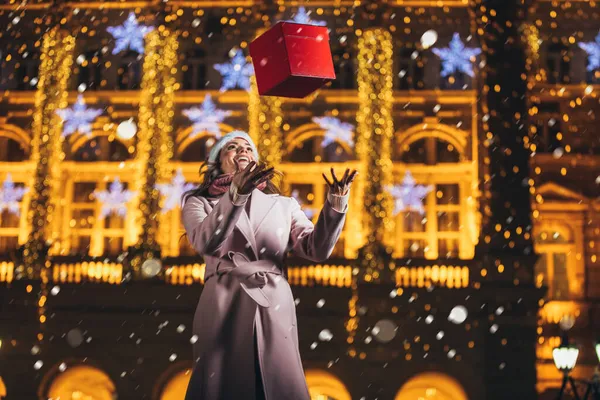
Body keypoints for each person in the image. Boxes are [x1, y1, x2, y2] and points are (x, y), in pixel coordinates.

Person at [181, 131, 357, 400]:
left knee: (277, 381)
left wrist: (336, 202)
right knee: (222, 382)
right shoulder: (199, 202)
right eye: (232, 147)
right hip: (224, 297)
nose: (242, 150)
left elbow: (317, 249)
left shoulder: (283, 205)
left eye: (248, 148)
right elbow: (208, 241)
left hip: (272, 299)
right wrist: (237, 193)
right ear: (217, 162)